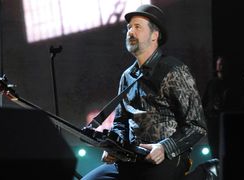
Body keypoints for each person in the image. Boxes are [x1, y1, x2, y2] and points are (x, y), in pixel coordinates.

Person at [82, 4, 207, 180]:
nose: (130, 32)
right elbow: (120, 122)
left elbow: (197, 126)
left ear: (155, 35)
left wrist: (165, 147)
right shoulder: (127, 75)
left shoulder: (174, 70)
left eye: (137, 27)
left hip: (166, 159)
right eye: (129, 27)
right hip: (130, 159)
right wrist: (113, 148)